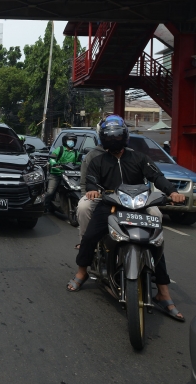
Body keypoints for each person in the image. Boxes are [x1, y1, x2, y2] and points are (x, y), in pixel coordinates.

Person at [66, 115, 185, 322]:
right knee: (89, 237)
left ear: (125, 136)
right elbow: (91, 182)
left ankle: (163, 292)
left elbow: (157, 177)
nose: (114, 139)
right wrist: (93, 191)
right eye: (109, 136)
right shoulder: (96, 160)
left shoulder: (139, 158)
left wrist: (173, 192)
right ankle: (82, 271)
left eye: (117, 135)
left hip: (138, 206)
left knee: (155, 240)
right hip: (109, 205)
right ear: (103, 138)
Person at [44, 133, 80, 213]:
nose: (71, 142)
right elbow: (52, 158)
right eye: (69, 140)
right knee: (50, 192)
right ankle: (45, 206)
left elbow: (79, 162)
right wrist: (54, 163)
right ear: (65, 141)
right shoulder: (59, 149)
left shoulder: (76, 152)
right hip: (56, 174)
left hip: (69, 175)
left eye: (73, 141)